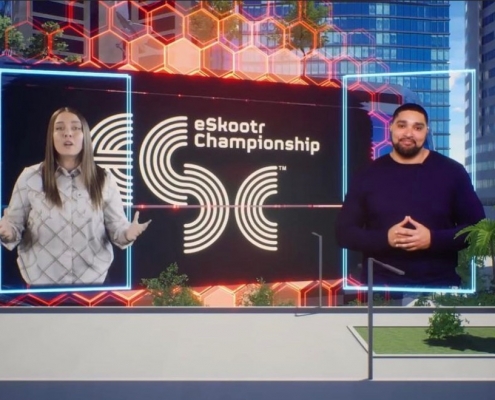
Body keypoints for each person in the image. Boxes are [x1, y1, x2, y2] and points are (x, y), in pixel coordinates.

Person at [336, 103, 485, 289]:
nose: (409, 133)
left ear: (426, 131)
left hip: (439, 288)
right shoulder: (366, 174)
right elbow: (344, 233)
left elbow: (477, 228)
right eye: (402, 125)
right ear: (391, 127)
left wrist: (432, 239)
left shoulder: (452, 172)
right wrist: (386, 239)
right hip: (380, 291)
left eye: (417, 128)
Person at [0, 107, 151, 286]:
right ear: (51, 136)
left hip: (94, 284)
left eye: (75, 128)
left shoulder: (104, 179)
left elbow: (117, 230)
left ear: (84, 135)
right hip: (39, 284)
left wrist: (128, 233)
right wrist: (6, 232)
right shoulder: (30, 177)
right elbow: (13, 228)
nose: (68, 134)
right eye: (59, 128)